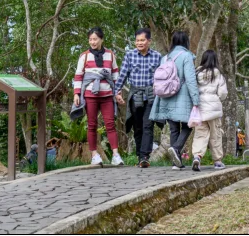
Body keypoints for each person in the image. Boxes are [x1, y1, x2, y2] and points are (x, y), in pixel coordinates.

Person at [73, 26, 124, 166]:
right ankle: (94, 155)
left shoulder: (110, 54)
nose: (93, 42)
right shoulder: (84, 56)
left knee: (110, 124)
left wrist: (118, 93)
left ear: (101, 39)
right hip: (90, 95)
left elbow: (115, 75)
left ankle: (115, 155)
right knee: (92, 125)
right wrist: (76, 94)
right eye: (90, 39)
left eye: (95, 39)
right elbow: (78, 76)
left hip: (107, 95)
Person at [114, 27, 163, 168]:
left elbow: (162, 77)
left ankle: (144, 156)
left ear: (149, 41)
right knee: (138, 127)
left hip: (151, 96)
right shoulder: (130, 55)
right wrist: (117, 92)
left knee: (148, 125)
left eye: (142, 40)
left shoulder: (157, 56)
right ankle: (139, 155)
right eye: (137, 40)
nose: (139, 43)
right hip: (135, 95)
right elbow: (122, 75)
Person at [149, 30, 199, 169]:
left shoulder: (165, 58)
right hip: (182, 96)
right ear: (186, 42)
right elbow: (190, 79)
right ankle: (176, 148)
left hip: (166, 96)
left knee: (173, 129)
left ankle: (175, 163)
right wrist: (196, 99)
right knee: (189, 125)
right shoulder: (186, 56)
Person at [191, 49, 229, 171]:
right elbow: (223, 93)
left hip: (200, 109)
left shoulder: (196, 74)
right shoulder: (218, 74)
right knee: (216, 135)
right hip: (214, 110)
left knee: (200, 135)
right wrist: (217, 99)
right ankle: (217, 161)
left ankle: (197, 156)